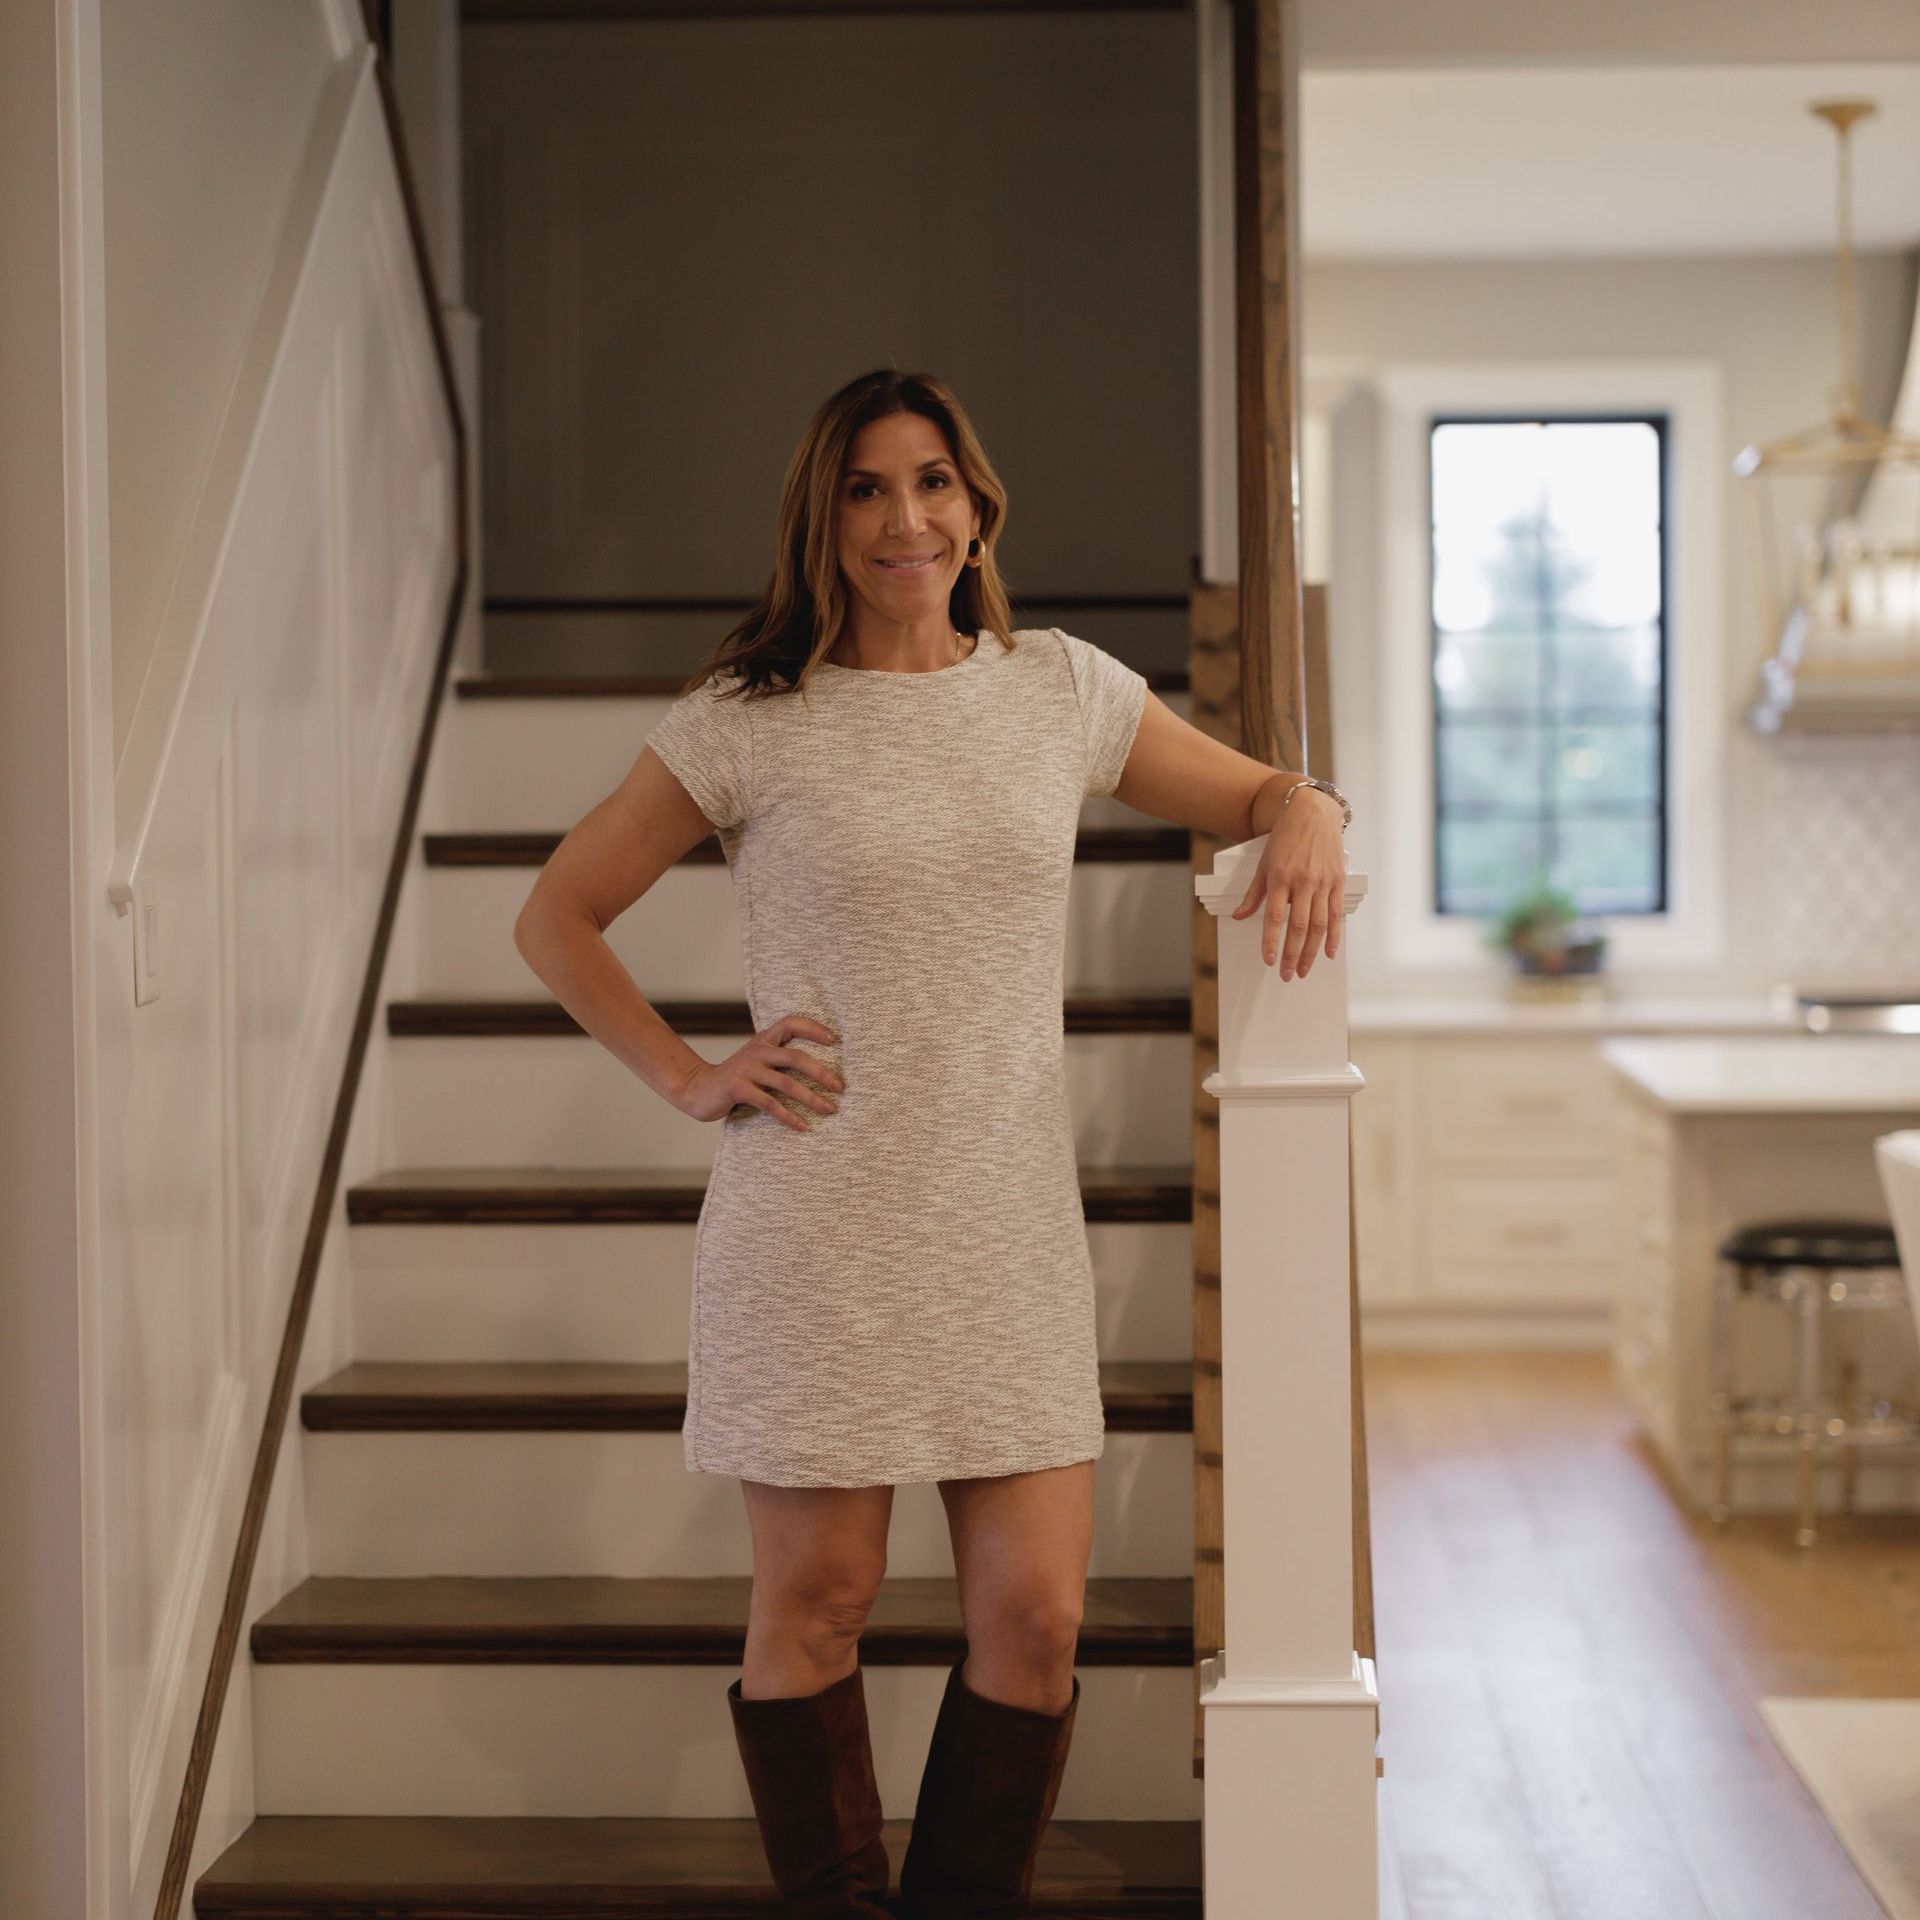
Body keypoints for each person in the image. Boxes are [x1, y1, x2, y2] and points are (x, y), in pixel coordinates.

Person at [511, 368, 1349, 1918]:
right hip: (820, 1225)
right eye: (869, 489)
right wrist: (696, 1079)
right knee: (817, 1604)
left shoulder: (1064, 691)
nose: (908, 518)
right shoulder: (748, 720)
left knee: (1034, 1622)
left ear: (979, 505)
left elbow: (1257, 795)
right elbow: (556, 914)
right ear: (823, 522)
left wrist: (1310, 808)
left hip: (1006, 1224)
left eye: (934, 482)